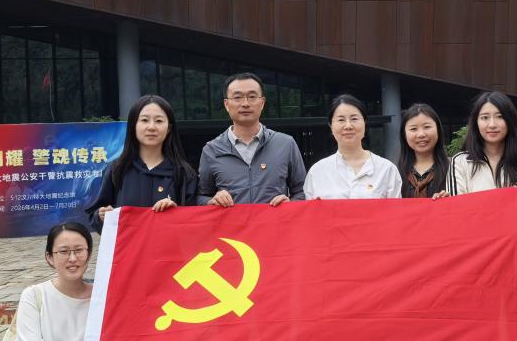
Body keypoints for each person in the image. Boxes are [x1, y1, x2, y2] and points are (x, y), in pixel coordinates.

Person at [86, 94, 197, 231]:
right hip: (129, 244)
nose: (151, 127)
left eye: (159, 121)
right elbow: (95, 217)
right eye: (144, 120)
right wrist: (101, 216)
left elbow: (194, 221)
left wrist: (175, 211)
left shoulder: (183, 173)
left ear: (169, 128)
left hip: (169, 244)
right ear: (133, 126)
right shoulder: (117, 169)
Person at [198, 72, 306, 206]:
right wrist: (212, 201)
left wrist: (290, 204)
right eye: (237, 97)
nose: (245, 103)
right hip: (232, 221)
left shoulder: (286, 144)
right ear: (226, 104)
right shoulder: (211, 150)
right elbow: (200, 196)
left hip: (275, 220)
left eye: (252, 97)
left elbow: (302, 191)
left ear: (262, 102)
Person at [304, 94, 403, 200]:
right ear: (331, 126)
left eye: (354, 119)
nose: (348, 126)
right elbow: (309, 209)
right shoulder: (317, 172)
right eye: (341, 120)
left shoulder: (386, 169)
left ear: (364, 123)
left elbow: (396, 210)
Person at [446, 91, 517, 194]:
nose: (492, 125)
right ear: (476, 122)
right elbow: (456, 203)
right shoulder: (460, 162)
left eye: (500, 116)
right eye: (485, 117)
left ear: (510, 121)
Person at [396, 103, 450, 198]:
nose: (421, 134)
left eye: (427, 127)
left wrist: (450, 199)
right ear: (404, 134)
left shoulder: (454, 168)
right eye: (413, 129)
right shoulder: (394, 173)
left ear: (438, 130)